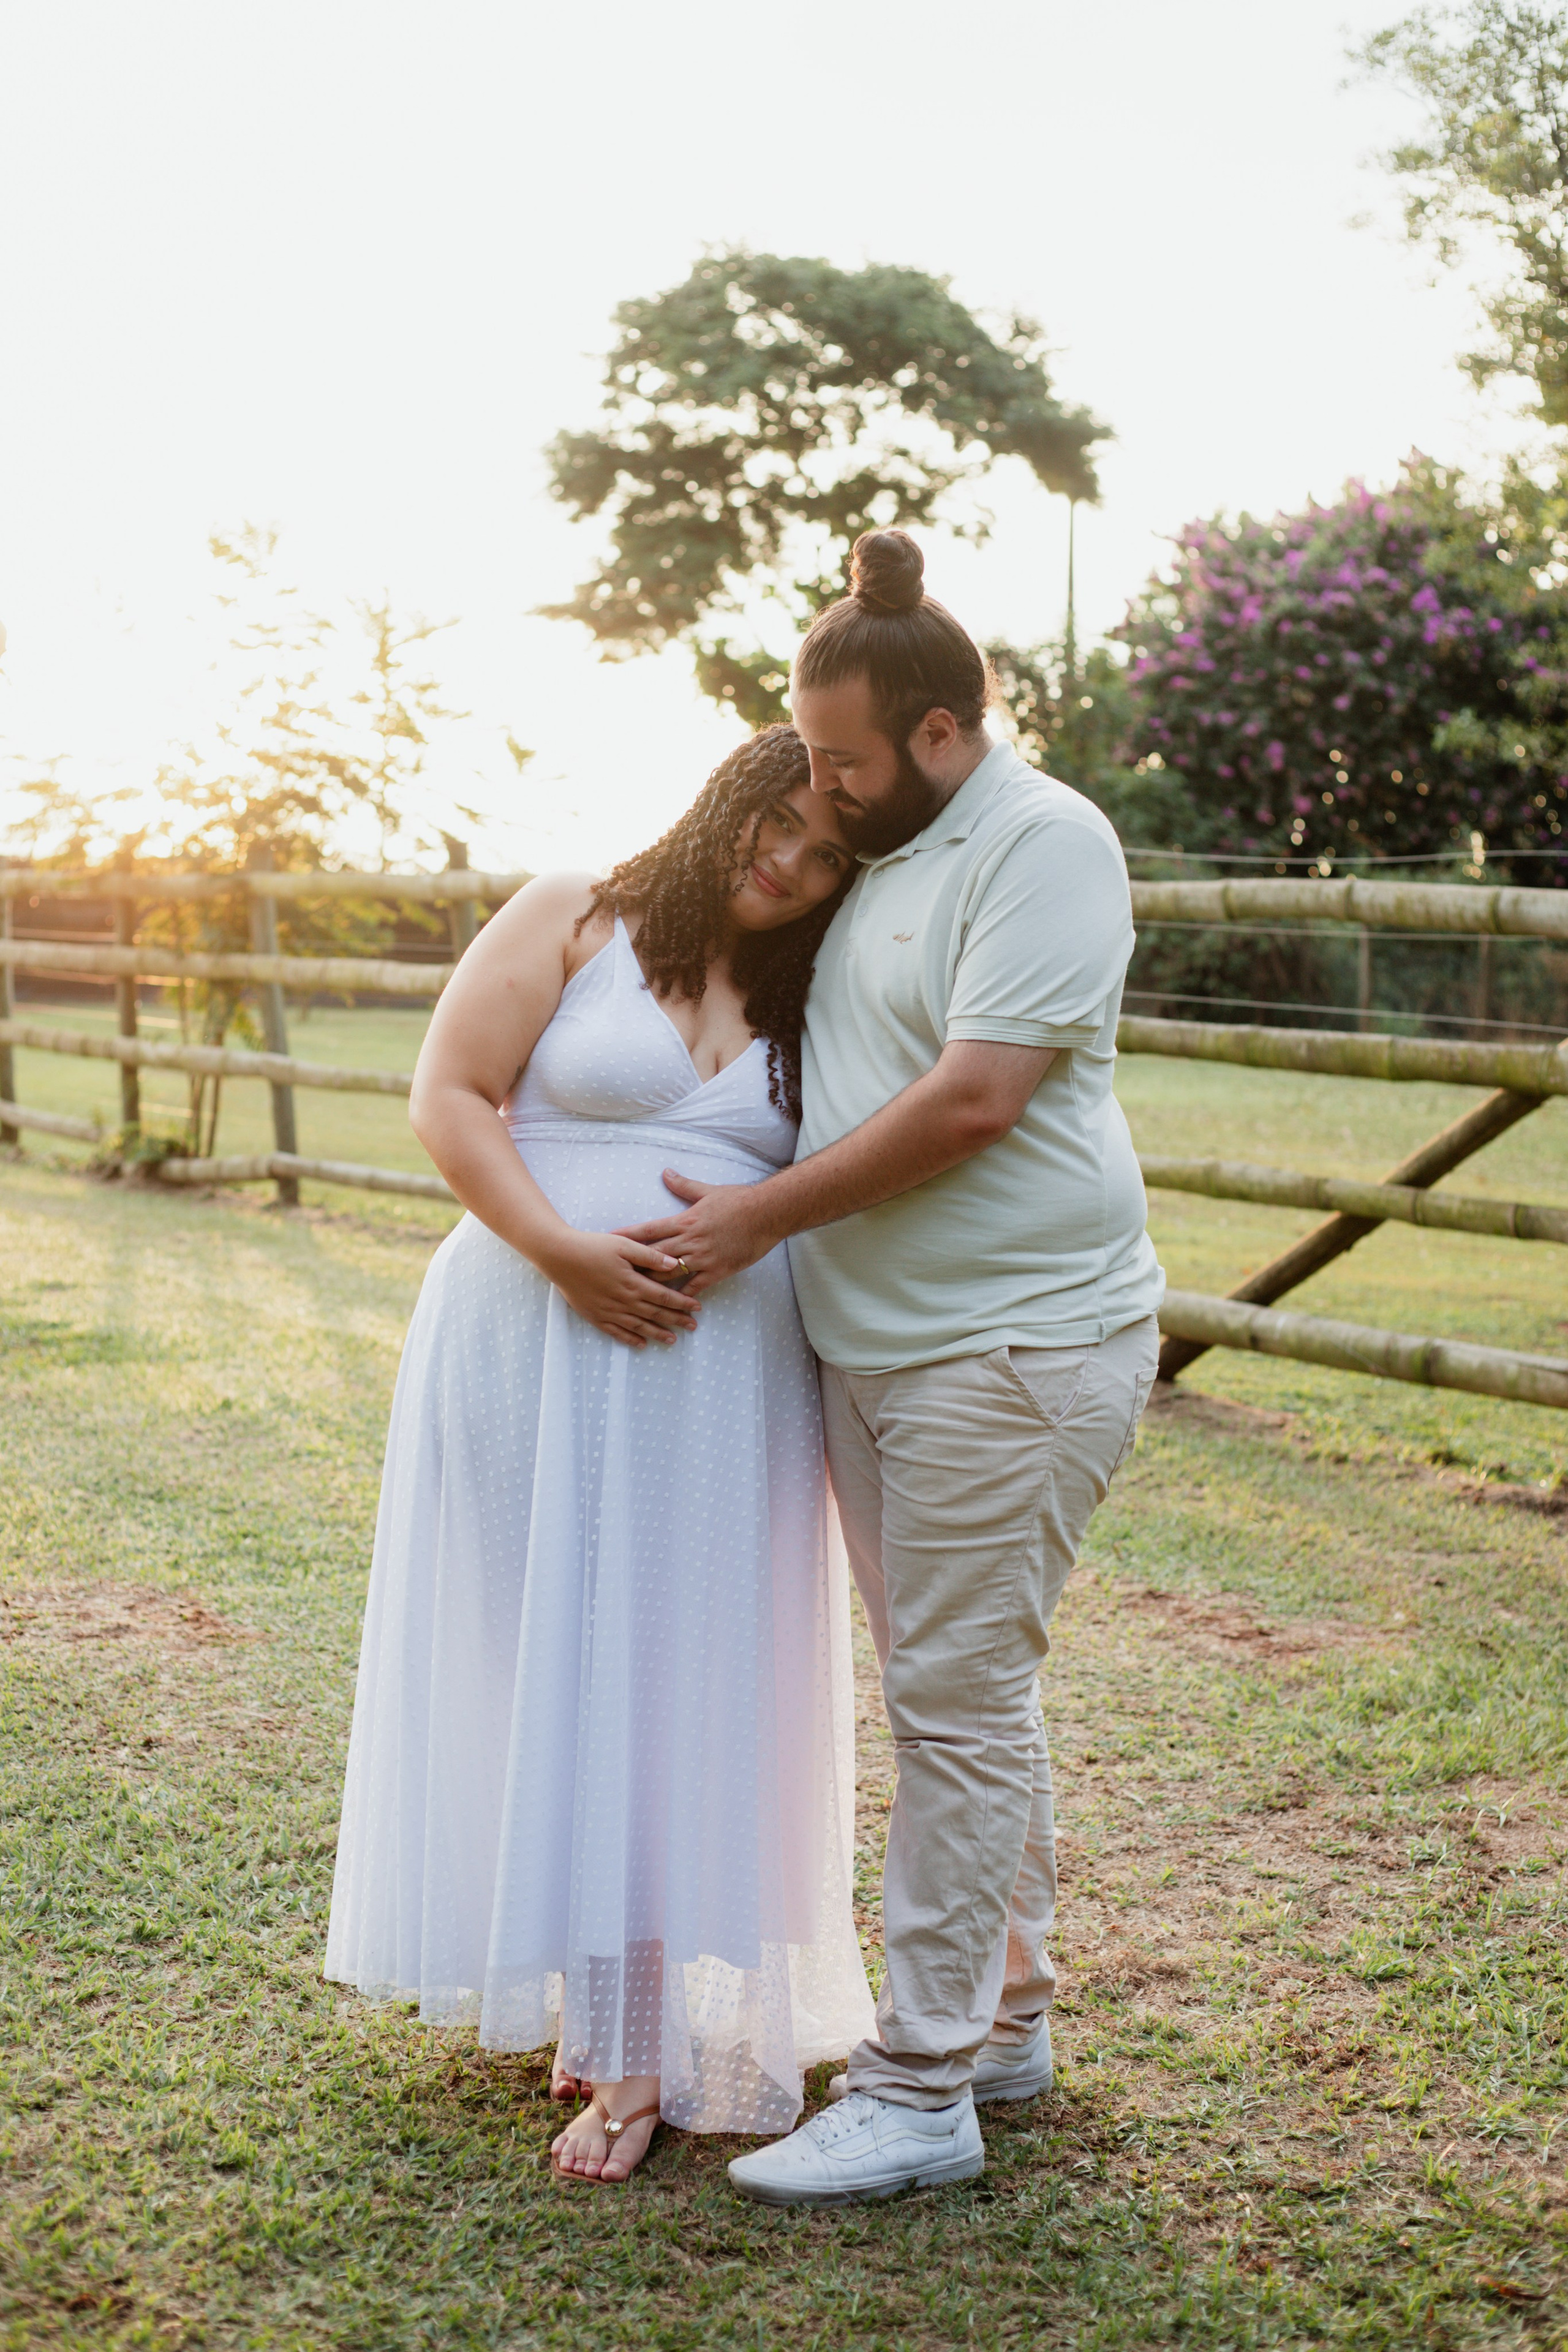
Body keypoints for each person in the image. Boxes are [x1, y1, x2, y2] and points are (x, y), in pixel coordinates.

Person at [623, 529, 1164, 2206]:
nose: (827, 793)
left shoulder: (1043, 846)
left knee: (957, 1700)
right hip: (885, 1349)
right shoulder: (886, 844)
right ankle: (999, 2021)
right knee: (969, 1687)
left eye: (849, 762)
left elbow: (975, 1098)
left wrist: (755, 1224)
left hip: (1009, 1345)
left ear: (943, 733)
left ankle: (920, 2088)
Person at [324, 725, 875, 2186]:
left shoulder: (815, 996)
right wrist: (567, 1251)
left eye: (828, 854)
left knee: (672, 1675)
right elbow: (449, 1093)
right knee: (547, 1658)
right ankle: (613, 2024)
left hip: (720, 1386)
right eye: (779, 820)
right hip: (529, 1332)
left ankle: (625, 2038)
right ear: (728, 794)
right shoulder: (579, 914)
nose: (791, 861)